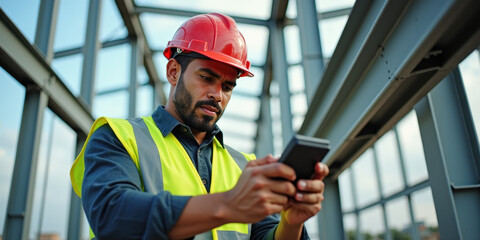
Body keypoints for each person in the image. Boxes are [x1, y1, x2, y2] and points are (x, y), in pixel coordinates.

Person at [70, 13, 329, 240]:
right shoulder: (118, 137)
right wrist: (229, 204)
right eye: (207, 78)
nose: (218, 94)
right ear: (173, 72)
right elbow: (111, 216)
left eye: (228, 87)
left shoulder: (244, 165)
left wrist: (291, 223)